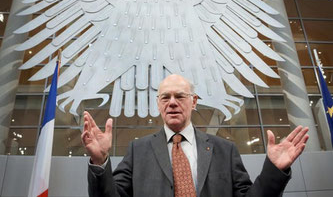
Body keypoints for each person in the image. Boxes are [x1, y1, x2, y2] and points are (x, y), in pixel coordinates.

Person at [82, 74, 309, 197]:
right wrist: (100, 162)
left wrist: (274, 171)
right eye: (165, 97)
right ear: (158, 105)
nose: (172, 102)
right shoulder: (137, 150)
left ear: (194, 101)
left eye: (180, 96)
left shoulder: (225, 150)